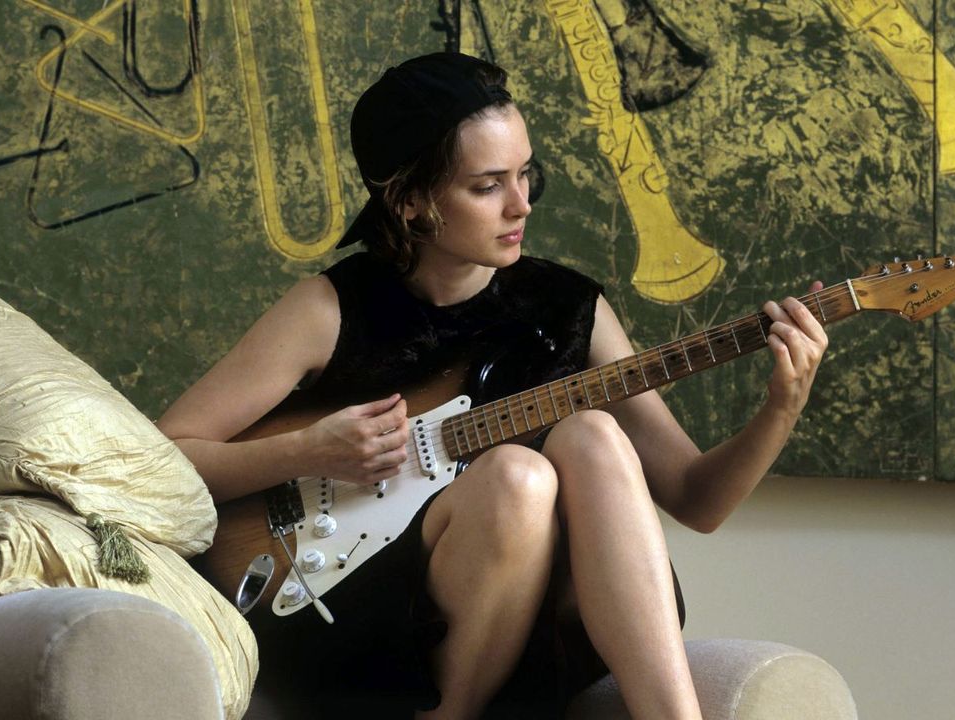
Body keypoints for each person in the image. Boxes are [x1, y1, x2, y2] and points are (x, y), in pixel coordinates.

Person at [157, 52, 828, 720]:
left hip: (533, 629)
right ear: (410, 199)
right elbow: (162, 458)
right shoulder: (327, 310)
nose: (521, 204)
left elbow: (696, 500)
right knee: (517, 477)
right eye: (487, 186)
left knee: (591, 432)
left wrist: (782, 405)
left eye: (525, 174)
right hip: (351, 614)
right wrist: (307, 452)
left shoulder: (569, 309)